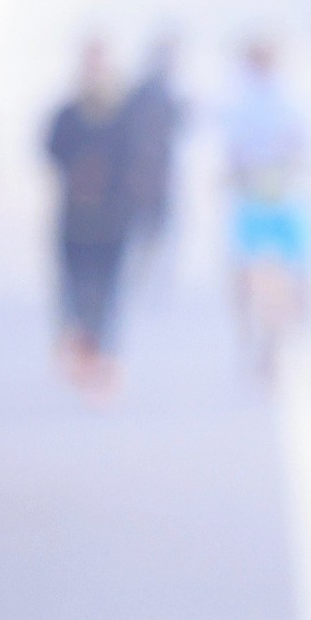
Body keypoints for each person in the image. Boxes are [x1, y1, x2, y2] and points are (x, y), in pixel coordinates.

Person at [45, 40, 143, 395]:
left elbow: (136, 159)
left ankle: (102, 358)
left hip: (112, 220)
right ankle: (82, 355)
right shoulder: (68, 113)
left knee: (107, 293)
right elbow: (51, 150)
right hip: (74, 220)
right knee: (75, 292)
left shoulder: (125, 114)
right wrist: (78, 173)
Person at [219, 35, 311, 379]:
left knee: (266, 271)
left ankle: (269, 332)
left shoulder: (272, 99)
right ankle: (274, 332)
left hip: (273, 196)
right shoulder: (252, 100)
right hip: (269, 196)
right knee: (273, 271)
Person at [120, 31, 184, 288]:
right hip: (141, 175)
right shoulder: (143, 92)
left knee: (156, 234)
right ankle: (137, 280)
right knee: (140, 234)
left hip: (160, 174)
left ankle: (148, 281)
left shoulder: (166, 92)